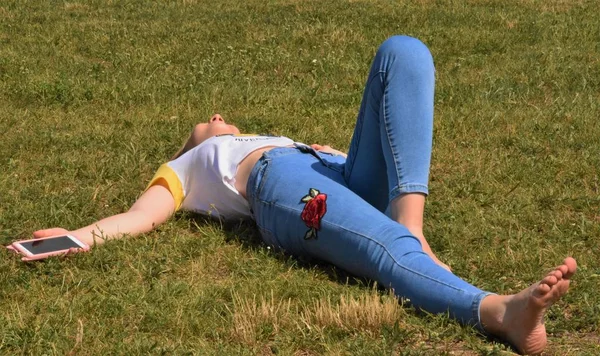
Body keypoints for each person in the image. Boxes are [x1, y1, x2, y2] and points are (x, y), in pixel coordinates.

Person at [27, 36, 576, 355]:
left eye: (220, 116)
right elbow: (139, 216)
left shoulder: (276, 137)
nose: (215, 117)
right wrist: (76, 236)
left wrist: (333, 154)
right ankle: (499, 311)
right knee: (379, 244)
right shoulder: (185, 166)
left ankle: (411, 221)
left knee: (402, 52)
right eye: (205, 120)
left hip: (330, 170)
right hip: (277, 189)